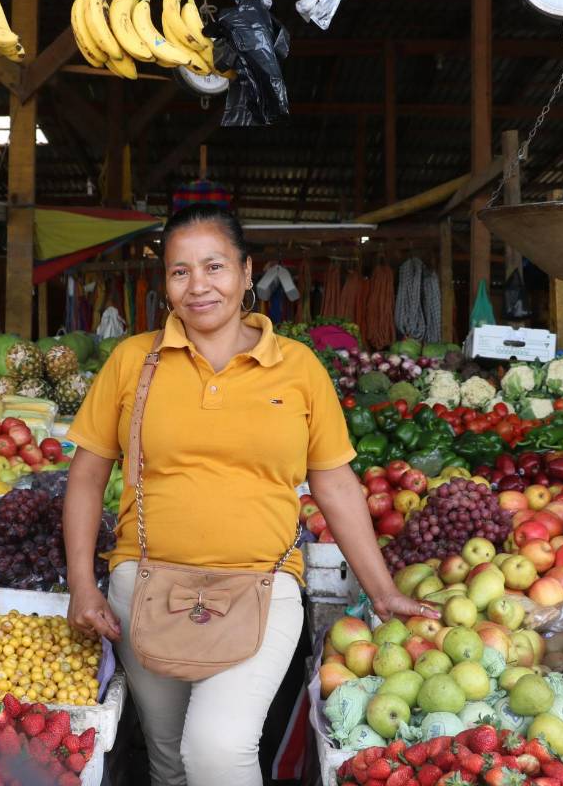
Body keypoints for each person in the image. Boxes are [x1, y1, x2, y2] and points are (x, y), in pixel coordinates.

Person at [62, 204, 439, 786]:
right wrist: (83, 586)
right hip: (145, 585)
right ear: (165, 284)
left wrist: (381, 589)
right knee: (167, 761)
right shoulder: (133, 361)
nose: (198, 285)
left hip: (263, 586)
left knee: (217, 748)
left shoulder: (297, 368)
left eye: (214, 266)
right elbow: (86, 477)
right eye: (179, 271)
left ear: (245, 271)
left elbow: (334, 483)